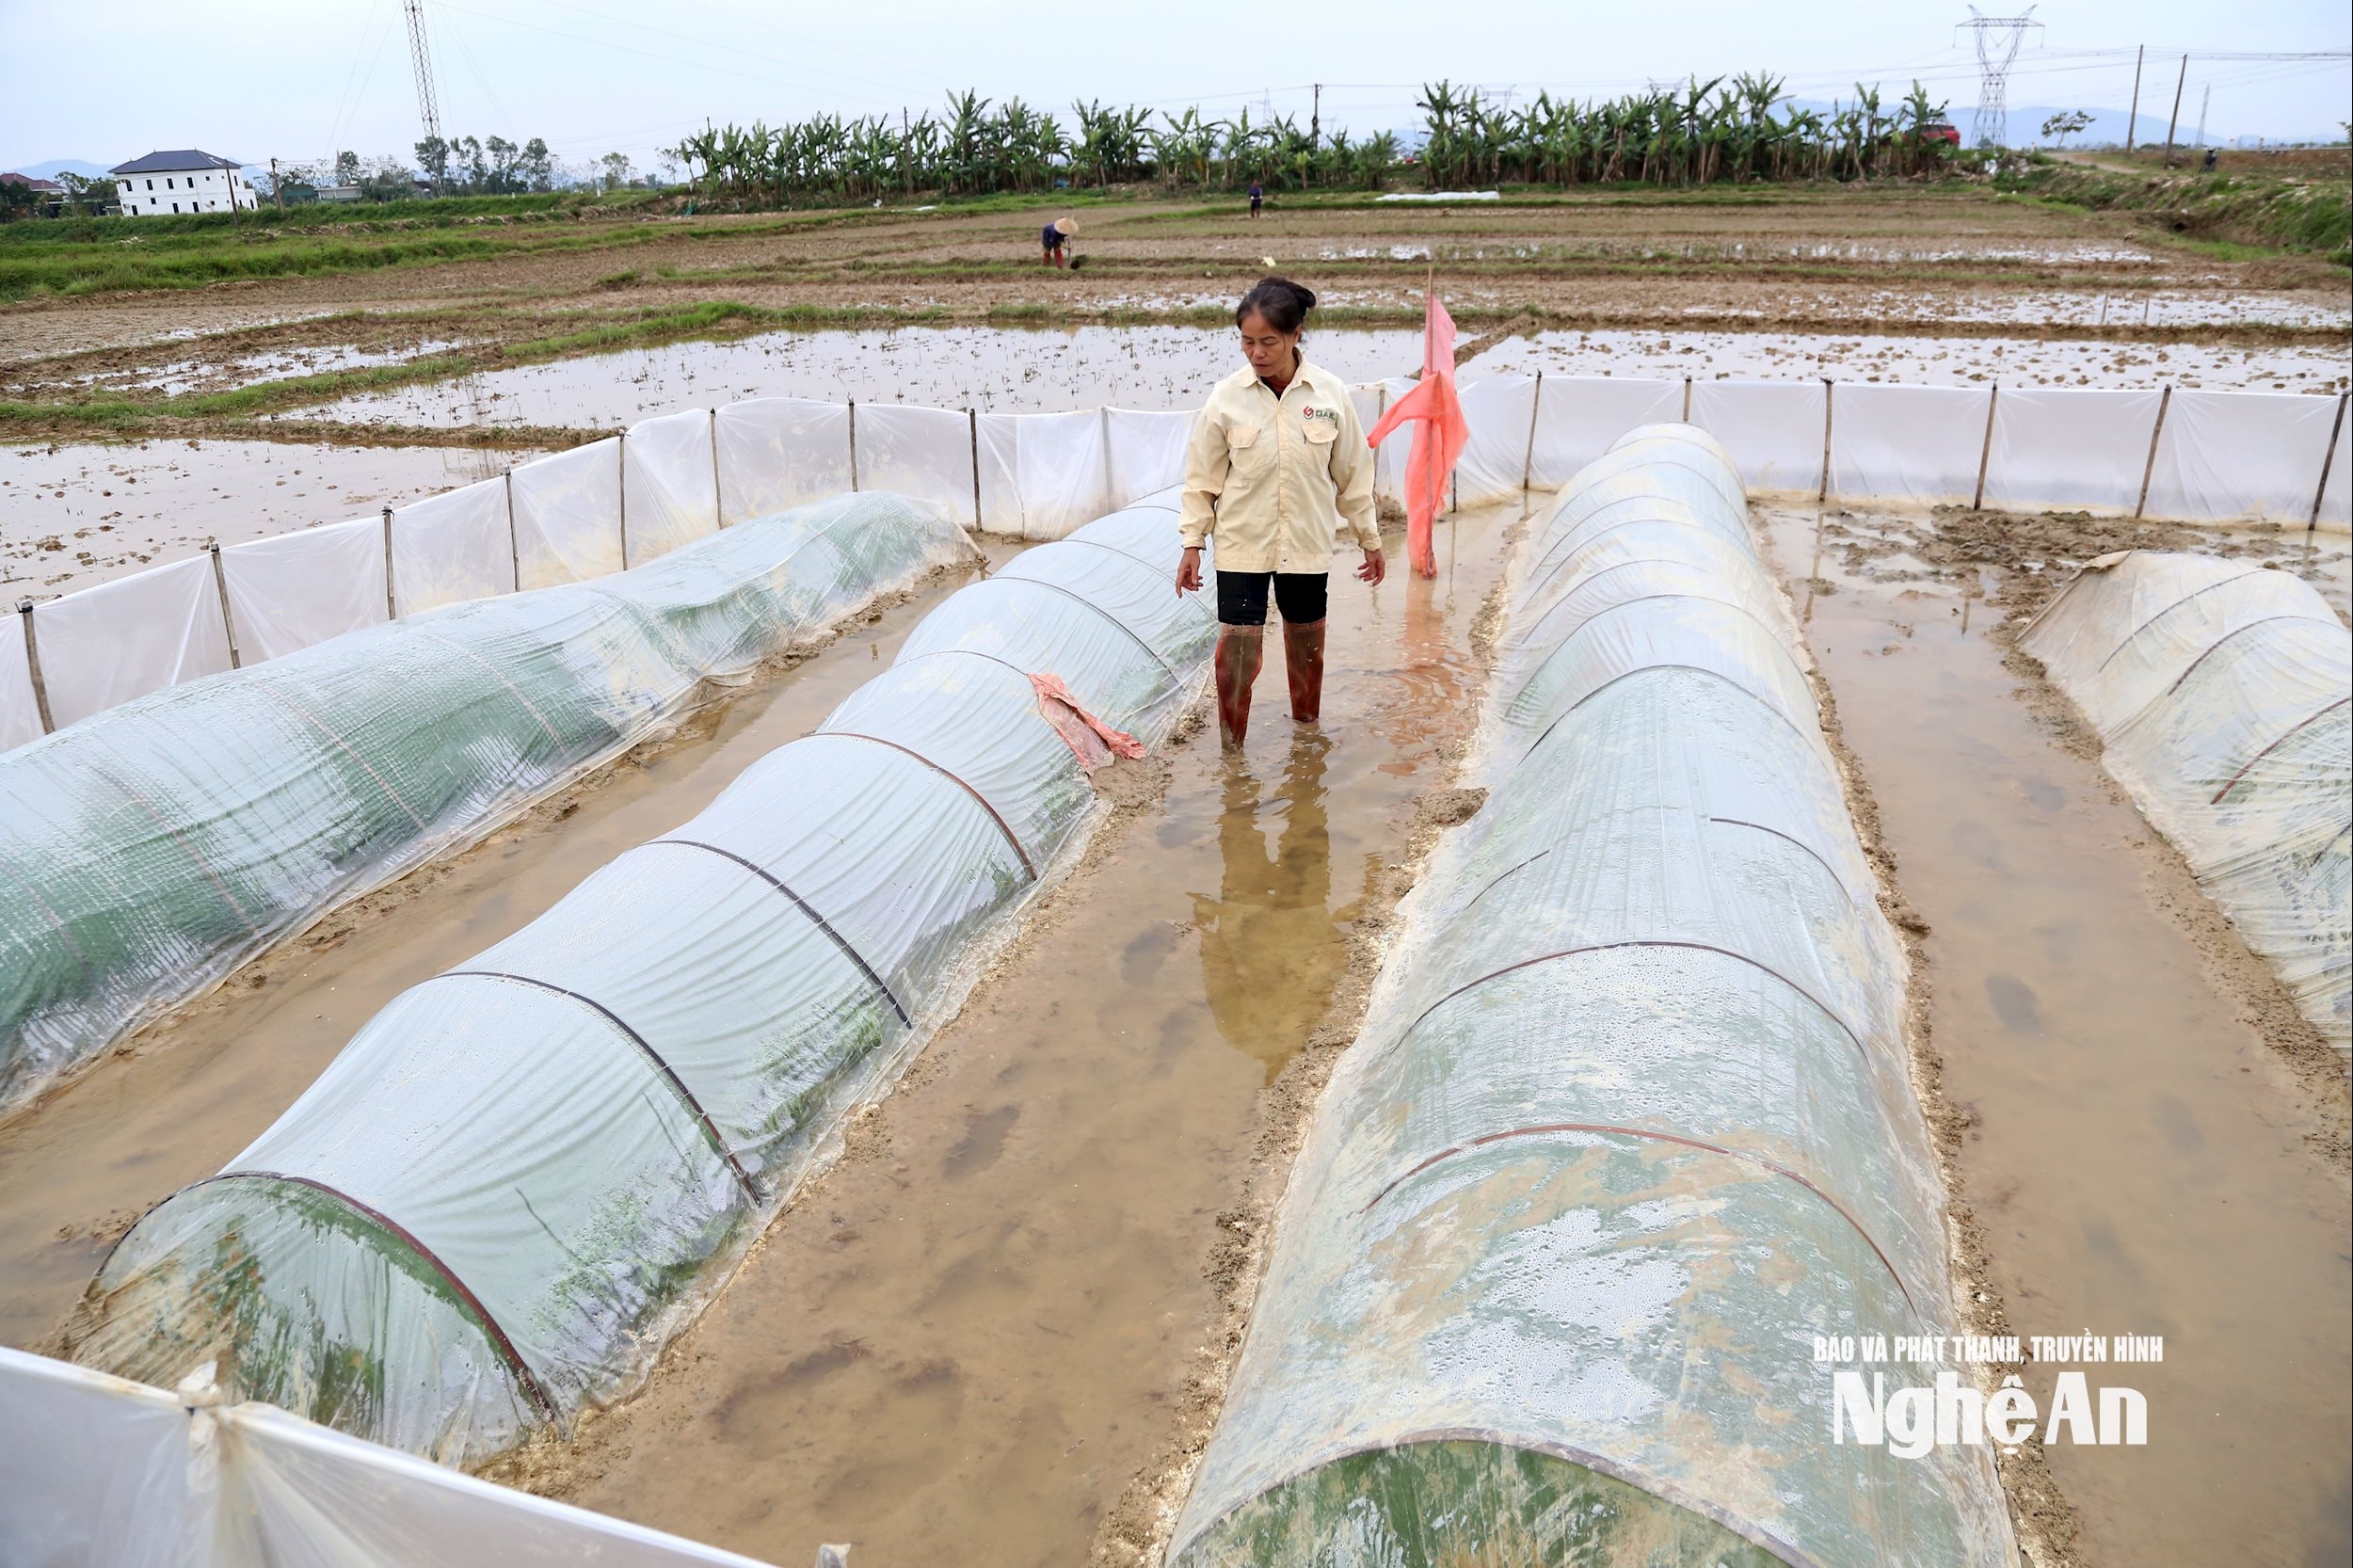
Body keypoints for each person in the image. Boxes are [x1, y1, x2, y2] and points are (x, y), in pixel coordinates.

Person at [1176, 276, 1384, 749]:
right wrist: (1191, 542)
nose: (1257, 353)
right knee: (1237, 653)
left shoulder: (1329, 395)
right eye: (1247, 342)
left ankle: (1306, 738)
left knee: (1308, 648)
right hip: (1241, 547)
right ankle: (1233, 752)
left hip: (1307, 546)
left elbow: (1354, 474)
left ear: (1296, 335)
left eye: (1268, 341)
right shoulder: (1225, 398)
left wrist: (1370, 540)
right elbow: (1202, 479)